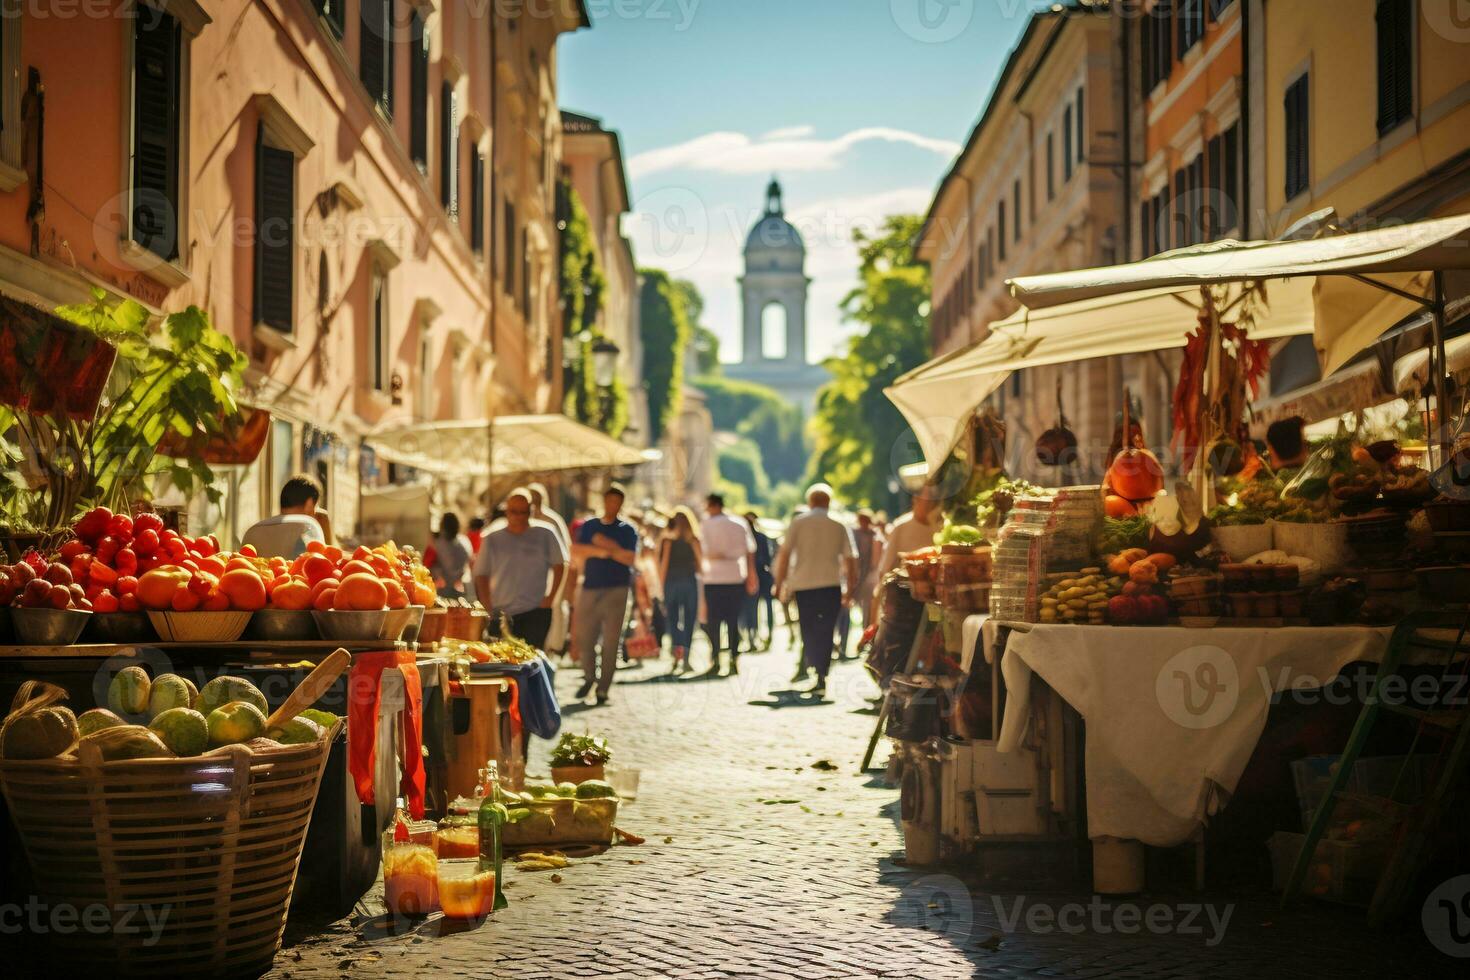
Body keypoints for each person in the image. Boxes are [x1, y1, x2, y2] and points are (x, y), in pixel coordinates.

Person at [774, 484, 859, 698]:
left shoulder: (798, 523)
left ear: (810, 502)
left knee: (808, 628)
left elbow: (784, 555)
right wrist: (850, 588)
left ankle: (815, 667)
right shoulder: (839, 524)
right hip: (830, 585)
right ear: (828, 502)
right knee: (827, 629)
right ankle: (822, 674)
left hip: (804, 585)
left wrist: (780, 582)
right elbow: (851, 559)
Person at [570, 485, 639, 705]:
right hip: (590, 587)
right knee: (585, 637)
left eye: (616, 501)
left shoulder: (627, 530)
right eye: (609, 500)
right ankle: (589, 677)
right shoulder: (590, 526)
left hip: (617, 590)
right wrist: (603, 552)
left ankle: (603, 688)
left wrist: (606, 545)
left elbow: (630, 558)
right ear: (604, 501)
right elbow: (576, 551)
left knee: (611, 641)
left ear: (621, 504)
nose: (612, 505)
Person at [473, 489, 567, 648]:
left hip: (536, 610)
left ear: (531, 510)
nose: (518, 516)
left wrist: (550, 598)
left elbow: (560, 564)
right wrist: (487, 606)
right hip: (501, 612)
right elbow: (481, 574)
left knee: (532, 659)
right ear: (507, 511)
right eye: (514, 512)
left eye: (523, 512)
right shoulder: (492, 537)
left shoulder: (546, 533)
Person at [699, 493, 757, 677]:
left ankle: (716, 658)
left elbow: (701, 551)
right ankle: (733, 657)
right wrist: (751, 575)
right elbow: (750, 552)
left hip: (713, 578)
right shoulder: (739, 523)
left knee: (713, 622)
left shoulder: (706, 524)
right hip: (735, 577)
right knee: (733, 621)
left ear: (712, 505)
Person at [872, 491, 943, 625]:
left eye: (933, 502)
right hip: (903, 599)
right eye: (927, 501)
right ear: (915, 500)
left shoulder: (939, 526)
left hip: (931, 600)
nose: (931, 506)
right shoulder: (901, 527)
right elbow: (885, 568)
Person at [527, 482, 573, 655]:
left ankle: (551, 647)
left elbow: (564, 552)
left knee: (553, 607)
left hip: (551, 573)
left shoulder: (552, 521)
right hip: (529, 576)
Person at [659, 507, 703, 674]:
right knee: (690, 622)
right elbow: (701, 565)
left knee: (673, 621)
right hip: (689, 582)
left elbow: (663, 567)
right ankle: (686, 658)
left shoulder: (667, 541)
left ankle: (676, 657)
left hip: (671, 583)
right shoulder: (694, 540)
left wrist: (660, 589)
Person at [241, 475, 325, 559]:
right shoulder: (307, 534)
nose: (315, 513)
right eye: (315, 506)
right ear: (309, 504)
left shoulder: (254, 532)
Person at [741, 512, 775, 653]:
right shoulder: (761, 537)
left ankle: (753, 636)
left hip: (752, 575)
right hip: (761, 574)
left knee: (752, 608)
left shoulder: (745, 538)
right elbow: (768, 558)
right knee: (760, 607)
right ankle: (761, 636)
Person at [428, 513, 475, 599]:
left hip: (442, 590)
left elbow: (429, 564)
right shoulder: (464, 541)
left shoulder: (437, 543)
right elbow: (470, 562)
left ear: (442, 526)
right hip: (460, 587)